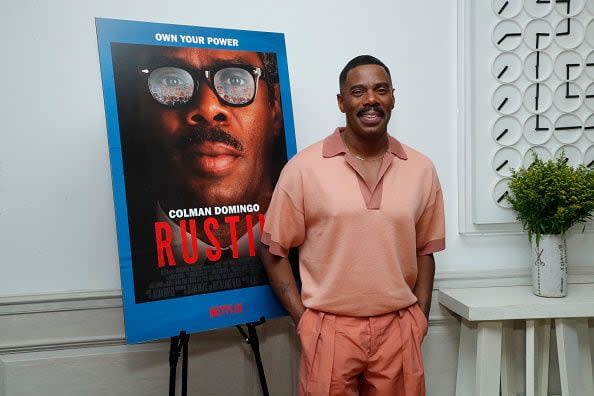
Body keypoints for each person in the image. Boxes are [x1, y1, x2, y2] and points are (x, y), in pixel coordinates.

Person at [260, 55, 445, 395]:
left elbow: (425, 250)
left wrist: (419, 317)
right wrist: (305, 321)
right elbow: (273, 251)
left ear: (393, 98)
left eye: (381, 90)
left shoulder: (421, 169)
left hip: (399, 328)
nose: (371, 99)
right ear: (341, 101)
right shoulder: (303, 168)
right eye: (358, 91)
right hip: (329, 330)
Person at [110, 43, 287, 302]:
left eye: (236, 79)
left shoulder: (307, 245)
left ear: (275, 108)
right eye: (171, 80)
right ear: (137, 109)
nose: (207, 108)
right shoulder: (131, 258)